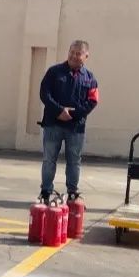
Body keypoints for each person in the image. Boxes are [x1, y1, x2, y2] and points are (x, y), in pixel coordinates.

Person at [38, 40, 99, 202]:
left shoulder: (90, 78)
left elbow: (93, 101)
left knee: (74, 161)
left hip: (76, 127)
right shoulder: (54, 72)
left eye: (78, 53)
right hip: (53, 124)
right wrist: (59, 111)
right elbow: (44, 93)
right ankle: (46, 191)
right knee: (49, 159)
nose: (73, 56)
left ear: (86, 56)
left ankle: (72, 191)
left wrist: (73, 114)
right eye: (71, 52)